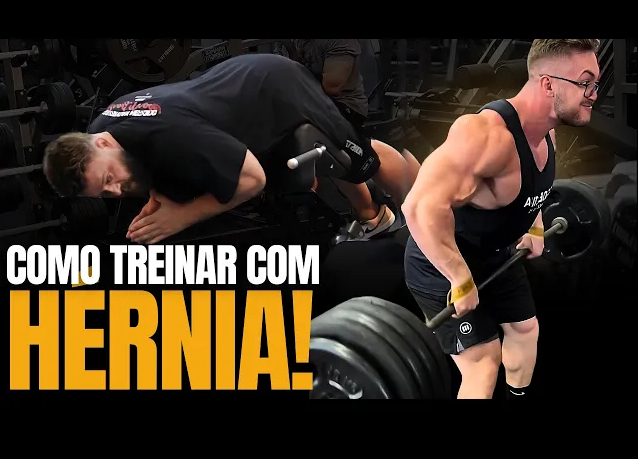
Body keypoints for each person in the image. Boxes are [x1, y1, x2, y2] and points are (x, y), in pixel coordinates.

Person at [42, 53, 419, 244]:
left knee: (354, 157)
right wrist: (160, 195)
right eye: (102, 192)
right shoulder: (100, 128)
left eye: (109, 179)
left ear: (103, 144)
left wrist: (183, 215)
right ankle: (375, 220)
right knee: (316, 165)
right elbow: (152, 162)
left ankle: (422, 203)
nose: (113, 190)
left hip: (273, 87)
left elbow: (252, 180)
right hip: (238, 109)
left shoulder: (169, 133)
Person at [402, 39, 600, 399]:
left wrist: (535, 225)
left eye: (595, 84)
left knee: (525, 331)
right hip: (442, 260)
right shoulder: (485, 136)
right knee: (483, 362)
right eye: (585, 83)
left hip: (495, 253)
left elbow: (533, 186)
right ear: (548, 84)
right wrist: (459, 278)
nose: (593, 95)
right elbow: (419, 206)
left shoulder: (545, 133)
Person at [290, 39, 422, 228]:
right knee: (320, 152)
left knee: (341, 150)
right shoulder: (296, 43)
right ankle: (371, 215)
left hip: (344, 106)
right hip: (316, 108)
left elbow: (332, 85)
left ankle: (393, 212)